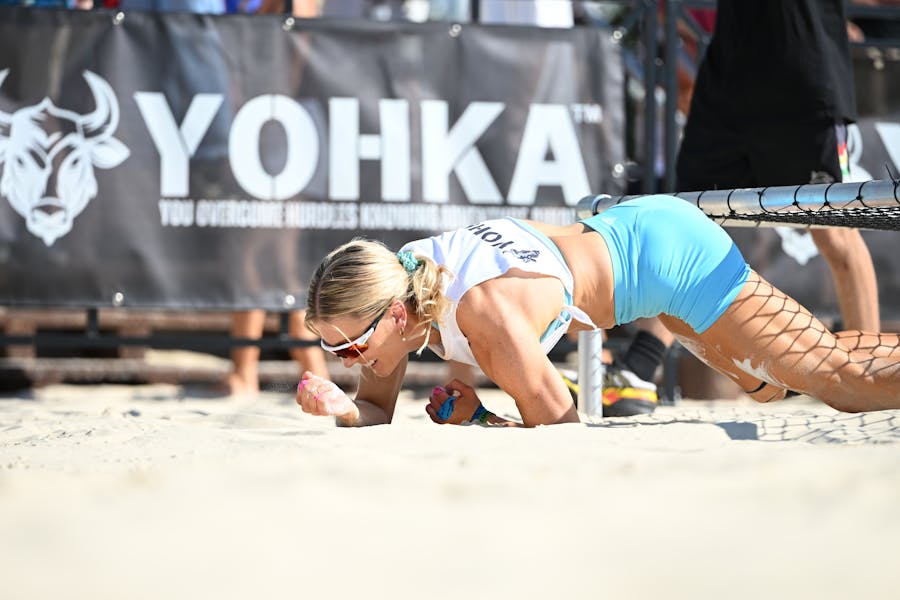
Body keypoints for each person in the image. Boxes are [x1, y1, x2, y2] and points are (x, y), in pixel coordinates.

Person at [294, 197, 900, 428]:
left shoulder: (484, 315)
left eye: (347, 347)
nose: (349, 361)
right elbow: (375, 406)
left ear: (395, 319)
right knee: (775, 386)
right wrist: (346, 408)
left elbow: (561, 434)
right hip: (638, 243)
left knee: (844, 384)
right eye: (333, 350)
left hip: (668, 260)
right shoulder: (402, 279)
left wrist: (481, 420)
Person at [608, 0, 884, 404]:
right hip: (728, 81)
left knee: (836, 233)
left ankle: (873, 376)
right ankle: (640, 368)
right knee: (685, 220)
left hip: (802, 77)